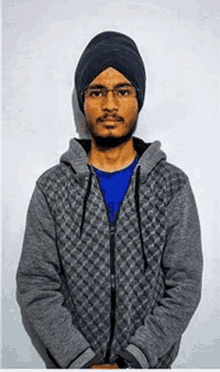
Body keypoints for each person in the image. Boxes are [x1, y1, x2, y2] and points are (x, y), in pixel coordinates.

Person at [16, 31, 203, 369]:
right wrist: (82, 361)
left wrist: (134, 359)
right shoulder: (52, 188)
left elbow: (185, 284)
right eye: (97, 91)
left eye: (123, 90)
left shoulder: (172, 185)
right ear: (83, 100)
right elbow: (35, 284)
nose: (110, 104)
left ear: (138, 98)